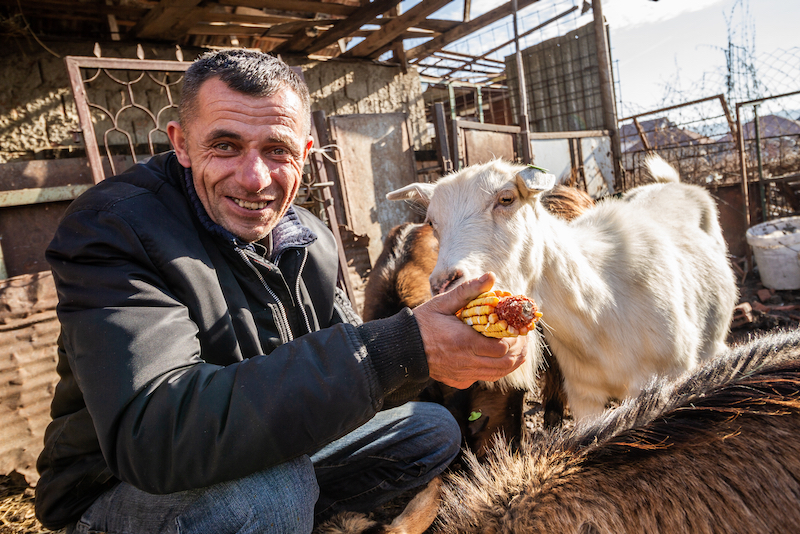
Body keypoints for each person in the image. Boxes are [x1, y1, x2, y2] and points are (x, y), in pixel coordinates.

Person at [35, 49, 527, 534]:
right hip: (117, 486)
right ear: (181, 144)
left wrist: (441, 352)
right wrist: (394, 349)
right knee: (272, 490)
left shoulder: (310, 239)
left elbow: (356, 379)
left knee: (429, 429)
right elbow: (157, 436)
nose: (254, 179)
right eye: (225, 146)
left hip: (258, 450)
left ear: (306, 154)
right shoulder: (113, 229)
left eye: (277, 150)